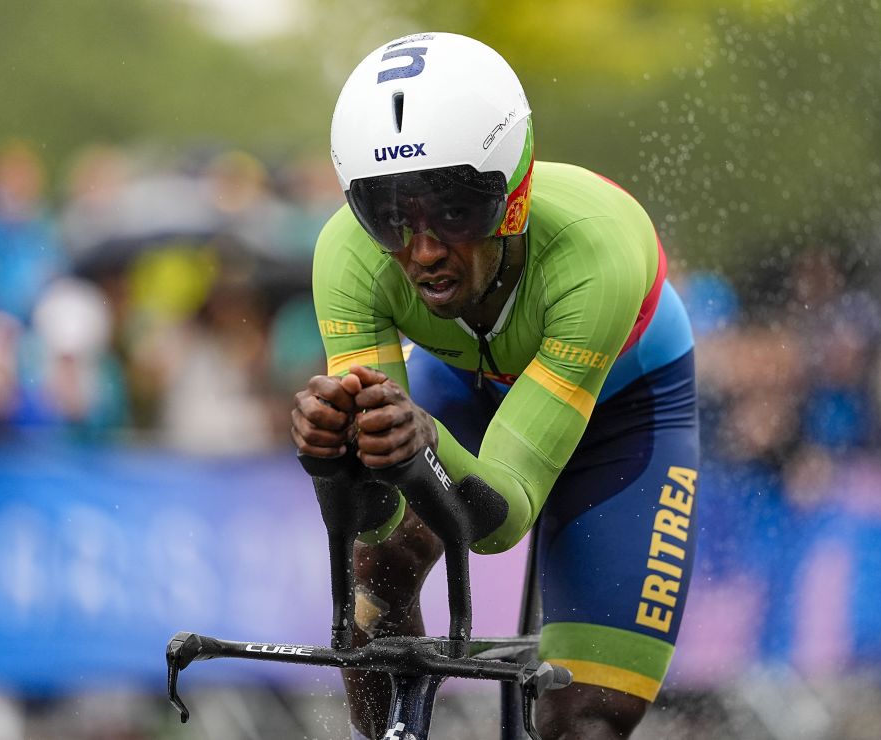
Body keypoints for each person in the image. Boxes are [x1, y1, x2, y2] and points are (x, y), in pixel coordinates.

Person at [291, 32, 699, 739]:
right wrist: (337, 461)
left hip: (625, 410)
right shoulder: (349, 256)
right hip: (465, 384)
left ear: (512, 195)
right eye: (389, 214)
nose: (422, 252)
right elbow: (381, 515)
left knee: (586, 721)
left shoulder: (596, 251)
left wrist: (420, 444)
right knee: (378, 567)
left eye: (454, 211)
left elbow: (503, 517)